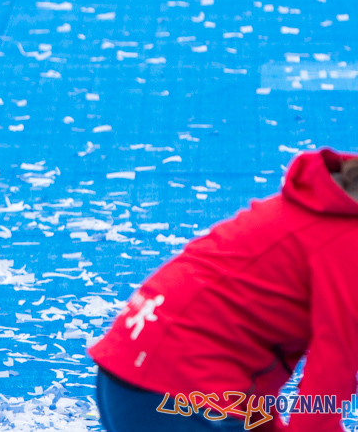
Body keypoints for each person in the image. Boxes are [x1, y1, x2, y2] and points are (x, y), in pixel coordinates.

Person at [88, 148, 358, 431]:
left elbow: (238, 336)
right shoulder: (346, 243)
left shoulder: (319, 208)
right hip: (174, 390)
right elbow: (332, 368)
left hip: (134, 372)